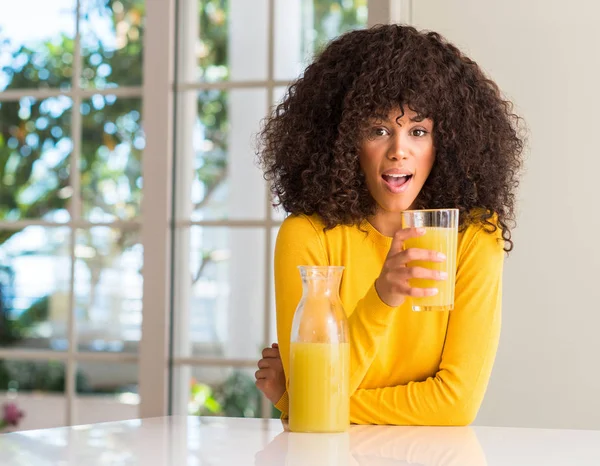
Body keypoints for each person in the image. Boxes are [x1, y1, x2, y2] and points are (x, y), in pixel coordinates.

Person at [254, 24, 523, 426]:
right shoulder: (308, 236)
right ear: (343, 142)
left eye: (418, 131)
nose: (399, 150)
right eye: (378, 130)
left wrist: (300, 402)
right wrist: (382, 297)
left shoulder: (472, 237)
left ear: (444, 143)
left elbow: (456, 404)